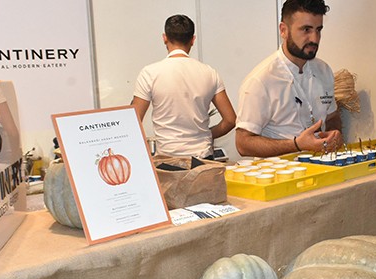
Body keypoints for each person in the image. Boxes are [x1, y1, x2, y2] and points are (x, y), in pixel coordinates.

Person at [235, 0, 342, 158]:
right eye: (306, 30)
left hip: (323, 165)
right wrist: (296, 145)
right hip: (280, 170)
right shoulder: (261, 80)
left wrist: (334, 133)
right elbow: (243, 143)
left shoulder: (324, 70)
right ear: (283, 30)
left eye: (318, 30)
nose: (314, 39)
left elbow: (332, 116)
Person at [131, 14, 236, 159]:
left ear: (164, 38)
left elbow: (133, 121)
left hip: (168, 160)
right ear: (192, 40)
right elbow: (230, 120)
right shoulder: (210, 73)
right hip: (203, 159)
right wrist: (207, 134)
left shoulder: (149, 73)